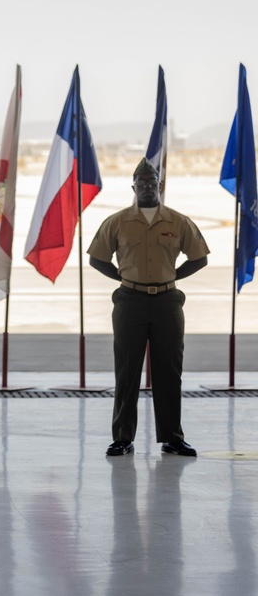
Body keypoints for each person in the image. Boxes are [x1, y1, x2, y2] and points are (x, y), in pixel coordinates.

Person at [88, 157, 209, 457]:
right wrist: (123, 276)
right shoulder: (117, 222)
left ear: (159, 186)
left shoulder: (178, 221)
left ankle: (172, 437)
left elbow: (200, 257)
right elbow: (96, 257)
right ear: (133, 187)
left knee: (169, 370)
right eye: (140, 183)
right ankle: (122, 438)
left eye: (151, 183)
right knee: (127, 370)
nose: (145, 187)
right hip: (130, 302)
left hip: (168, 302)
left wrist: (173, 277)